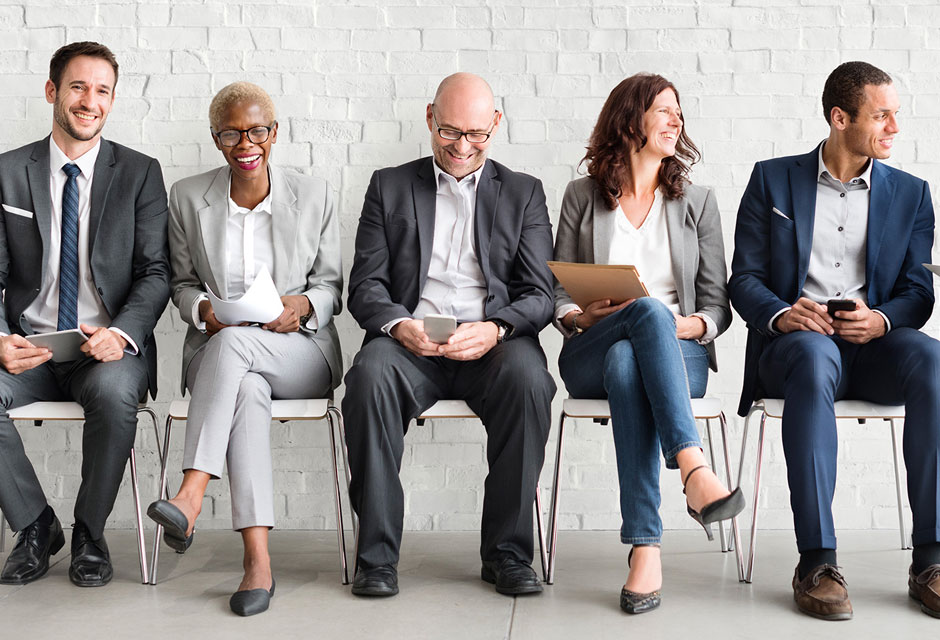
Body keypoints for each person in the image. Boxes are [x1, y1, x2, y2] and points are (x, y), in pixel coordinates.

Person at [729, 61, 940, 620]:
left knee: (934, 360)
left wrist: (883, 321)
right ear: (839, 117)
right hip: (794, 349)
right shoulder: (772, 179)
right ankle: (817, 561)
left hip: (873, 348)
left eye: (897, 113)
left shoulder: (914, 195)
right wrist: (781, 313)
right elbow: (743, 279)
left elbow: (919, 291)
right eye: (882, 115)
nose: (895, 126)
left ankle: (932, 560)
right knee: (815, 351)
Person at [343, 72, 555, 598]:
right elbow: (365, 285)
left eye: (477, 135)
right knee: (368, 379)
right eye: (450, 132)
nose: (463, 147)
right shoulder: (388, 185)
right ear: (430, 117)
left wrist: (496, 328)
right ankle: (376, 558)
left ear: (496, 125)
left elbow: (541, 292)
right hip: (410, 340)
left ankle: (507, 554)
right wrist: (399, 325)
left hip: (493, 342)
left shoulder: (524, 192)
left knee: (531, 381)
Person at [145, 82, 342, 616]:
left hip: (299, 351)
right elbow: (181, 284)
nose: (246, 142)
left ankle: (189, 494)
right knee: (246, 389)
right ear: (216, 139)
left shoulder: (315, 193)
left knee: (236, 349)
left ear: (274, 133)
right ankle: (258, 561)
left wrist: (299, 305)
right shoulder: (188, 197)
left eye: (257, 130)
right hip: (225, 357)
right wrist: (202, 310)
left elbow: (332, 287)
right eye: (231, 132)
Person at [553, 73, 742, 614]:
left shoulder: (697, 203)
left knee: (631, 356)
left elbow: (715, 307)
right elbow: (555, 291)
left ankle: (645, 547)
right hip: (592, 342)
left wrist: (687, 325)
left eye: (679, 111)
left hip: (677, 353)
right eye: (663, 109)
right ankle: (693, 470)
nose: (675, 119)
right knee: (631, 331)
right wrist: (578, 313)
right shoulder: (581, 196)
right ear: (629, 118)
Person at [0, 41, 170, 587]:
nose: (89, 101)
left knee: (118, 394)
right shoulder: (6, 172)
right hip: (29, 345)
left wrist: (121, 333)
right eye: (77, 87)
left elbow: (155, 272)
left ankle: (89, 533)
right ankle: (34, 525)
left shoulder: (141, 173)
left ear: (113, 101)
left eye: (101, 91)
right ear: (53, 92)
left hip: (105, 351)